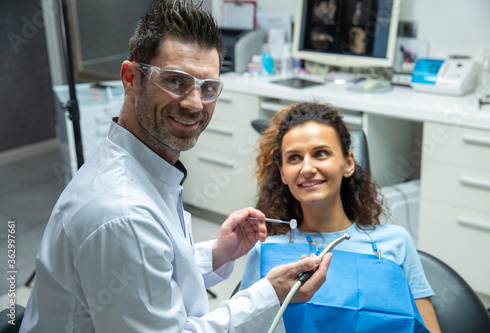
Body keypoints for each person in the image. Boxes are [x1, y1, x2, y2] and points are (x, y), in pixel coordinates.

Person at [19, 2, 331, 332]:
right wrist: (271, 295)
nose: (195, 103)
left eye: (208, 87)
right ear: (130, 78)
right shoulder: (121, 212)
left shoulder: (142, 165)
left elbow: (151, 270)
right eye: (175, 81)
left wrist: (217, 253)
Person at [240, 102, 442, 332]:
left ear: (348, 164)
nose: (307, 168)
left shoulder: (396, 242)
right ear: (283, 173)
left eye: (321, 154)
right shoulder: (266, 252)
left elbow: (429, 328)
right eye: (294, 158)